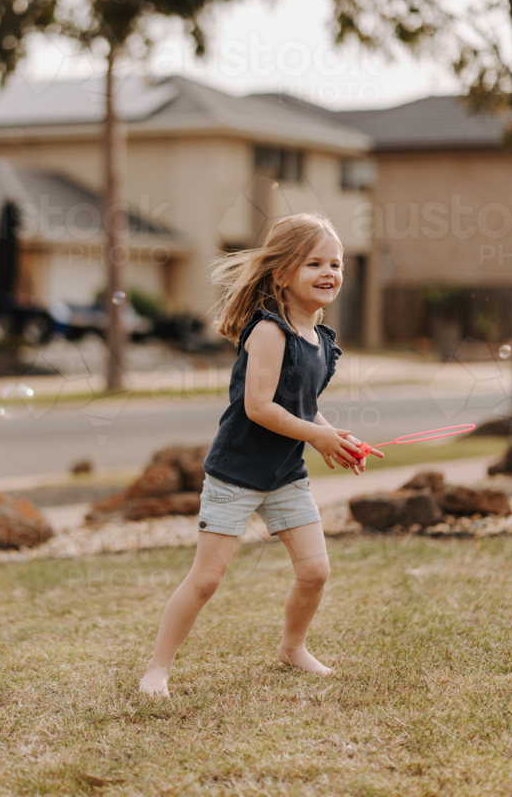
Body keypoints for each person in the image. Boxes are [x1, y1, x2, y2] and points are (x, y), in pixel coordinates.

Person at [139, 212, 383, 697]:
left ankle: (292, 649)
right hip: (235, 474)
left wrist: (334, 437)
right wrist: (316, 438)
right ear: (281, 274)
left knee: (315, 571)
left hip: (285, 474)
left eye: (335, 263)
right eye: (313, 263)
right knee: (207, 579)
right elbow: (258, 407)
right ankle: (157, 669)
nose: (328, 272)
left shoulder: (323, 343)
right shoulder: (270, 332)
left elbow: (302, 408)